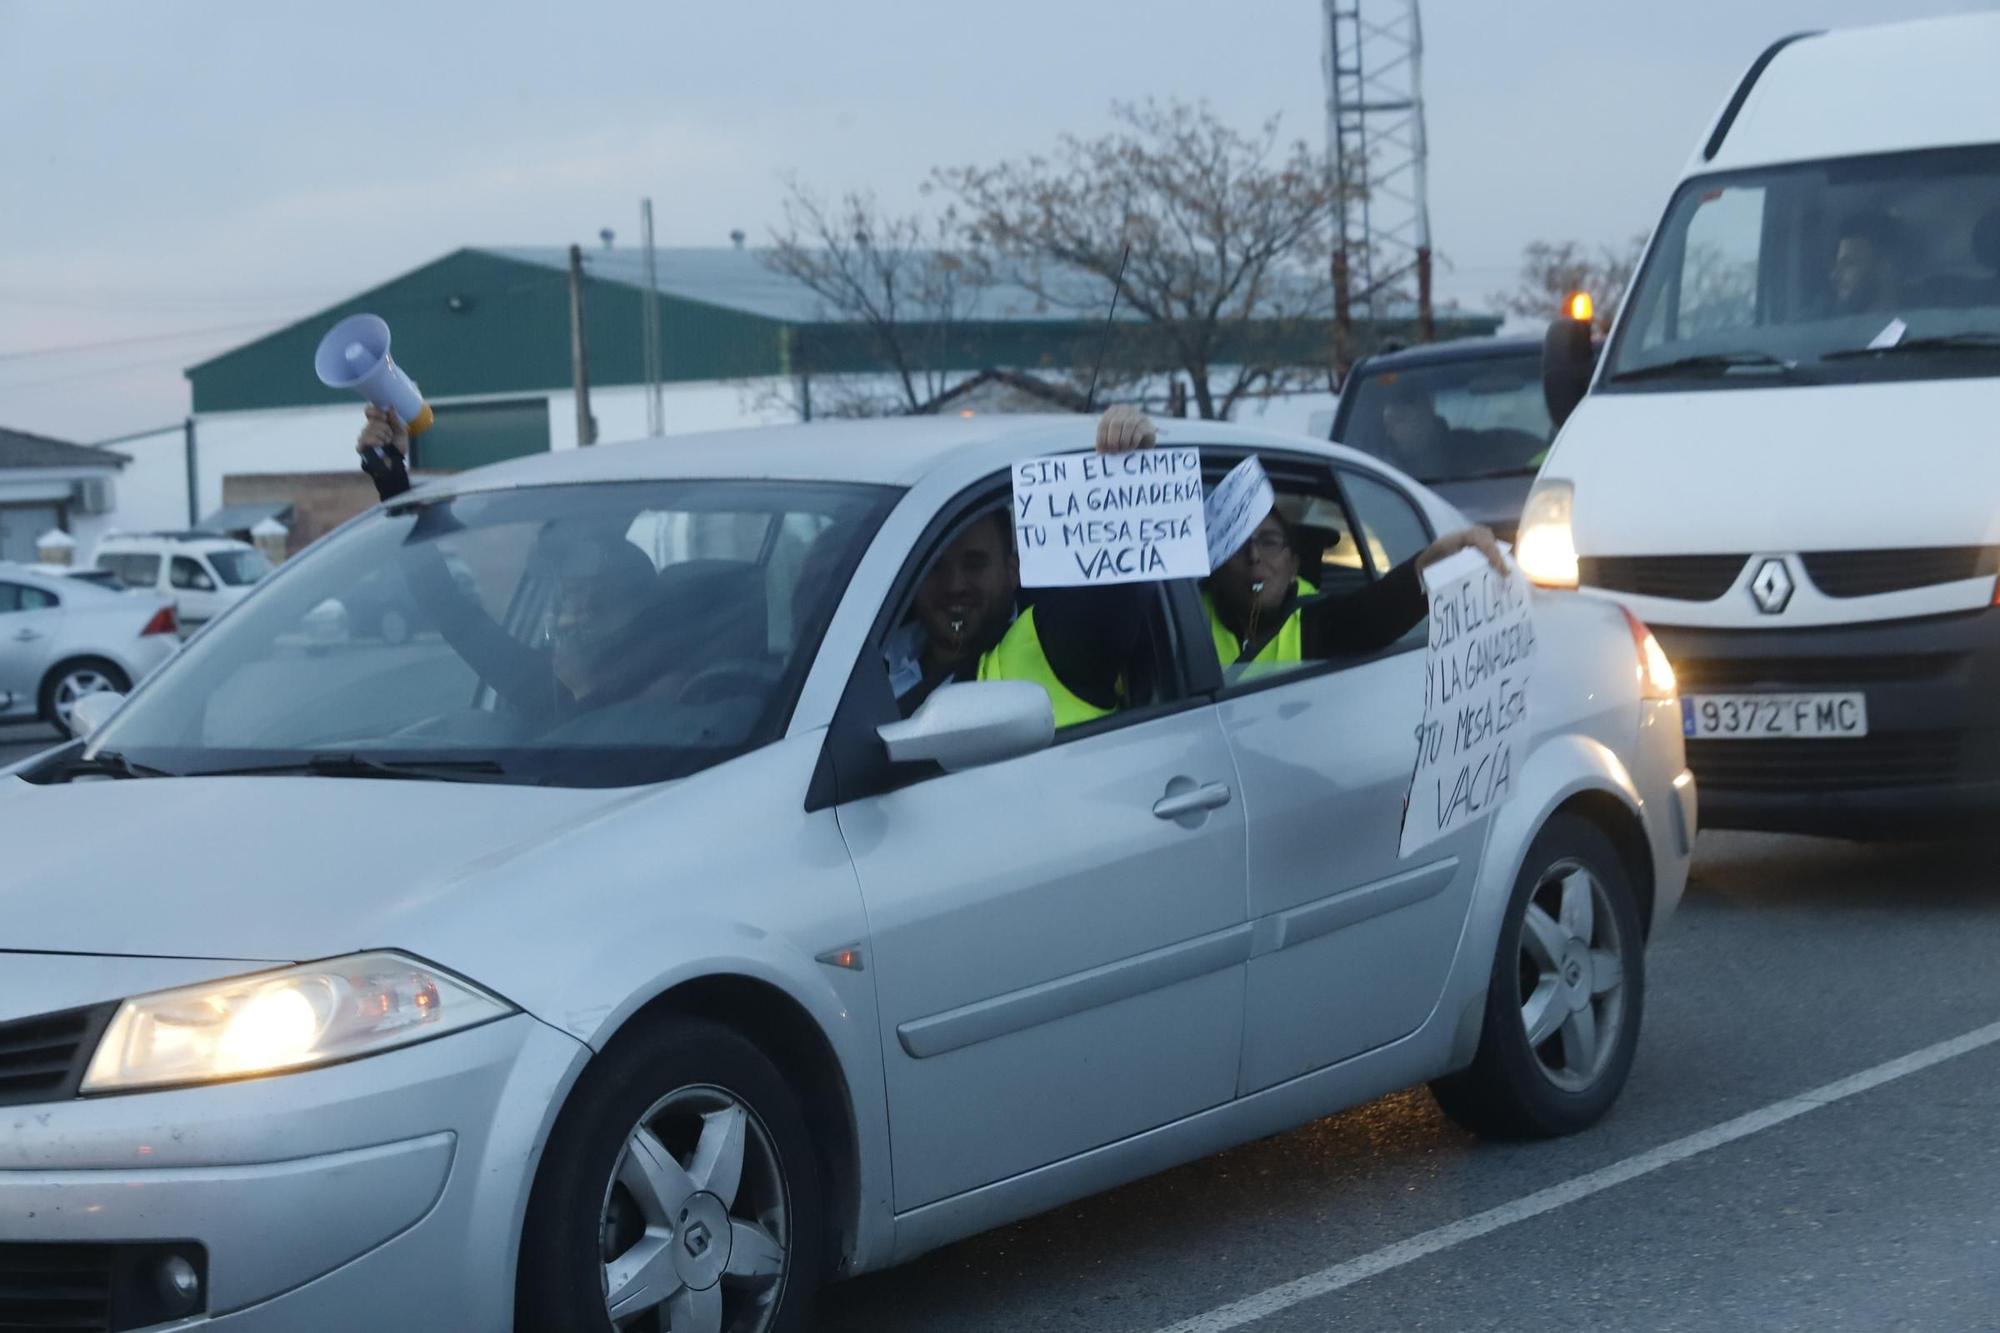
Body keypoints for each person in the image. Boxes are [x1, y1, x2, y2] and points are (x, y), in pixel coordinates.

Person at [974, 405, 1505, 725]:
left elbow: (1371, 616)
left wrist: (1432, 563)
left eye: (1271, 542)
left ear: (1294, 559)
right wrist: (1122, 464)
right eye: (1237, 546)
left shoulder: (1311, 626)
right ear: (1209, 563)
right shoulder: (1166, 618)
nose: (1255, 556)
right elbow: (1108, 590)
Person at [354, 406, 665, 723]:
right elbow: (448, 608)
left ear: (639, 624)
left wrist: (585, 688)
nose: (568, 621)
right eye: (567, 600)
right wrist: (391, 478)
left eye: (597, 606)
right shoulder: (542, 688)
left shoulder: (674, 707)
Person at [885, 510, 1020, 715]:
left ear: (1012, 572)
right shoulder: (873, 654)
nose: (954, 586)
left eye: (974, 565)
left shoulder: (1040, 657)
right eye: (935, 566)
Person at [1830, 211, 1908, 315]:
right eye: (1837, 265)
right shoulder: (1821, 326)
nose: (1835, 276)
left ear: (1884, 268)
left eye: (1848, 264)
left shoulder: (1926, 323)